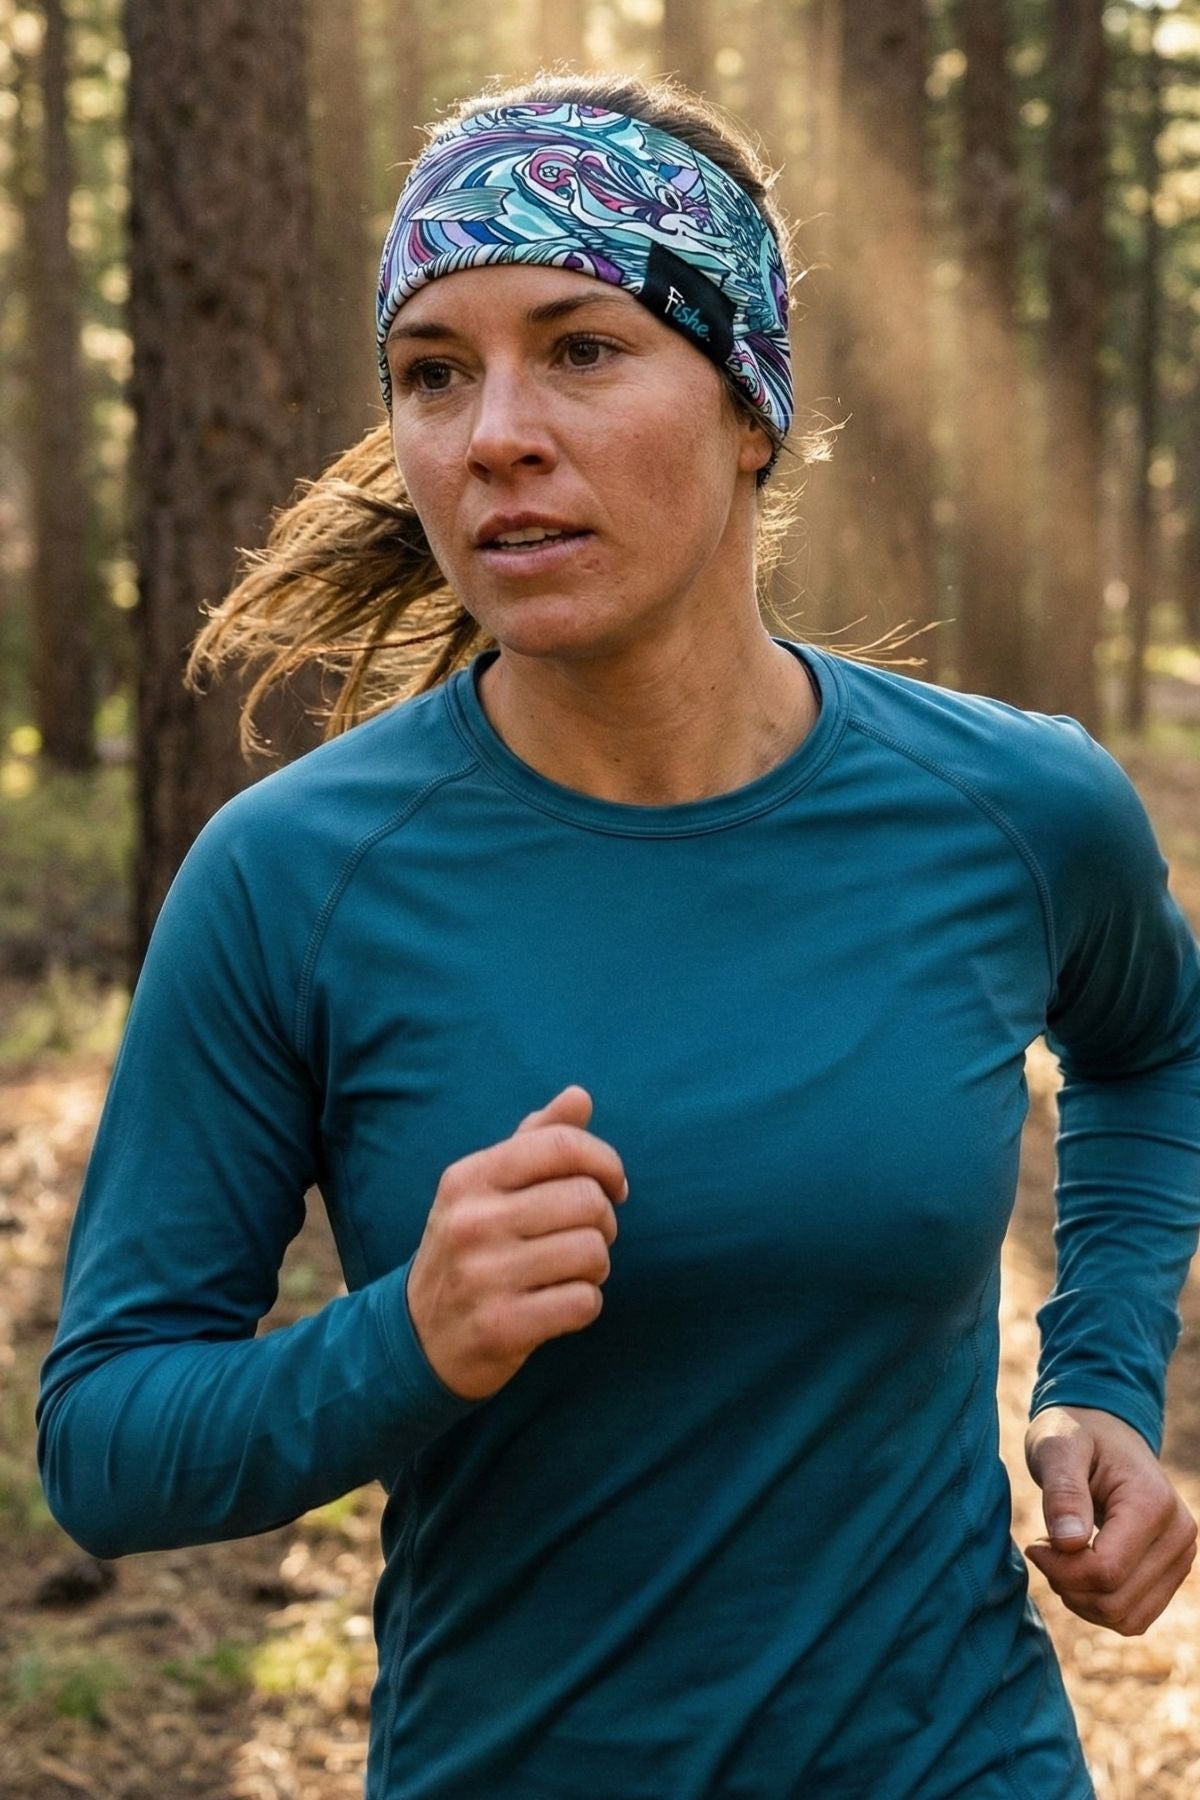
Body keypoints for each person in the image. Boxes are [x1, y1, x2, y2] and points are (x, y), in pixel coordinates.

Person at [36, 68, 1200, 1800]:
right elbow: (105, 1443)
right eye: (436, 372)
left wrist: (1101, 1374)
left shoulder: (1013, 813)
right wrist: (403, 1342)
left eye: (581, 347)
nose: (495, 429)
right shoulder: (293, 878)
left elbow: (1149, 1043)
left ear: (751, 407)